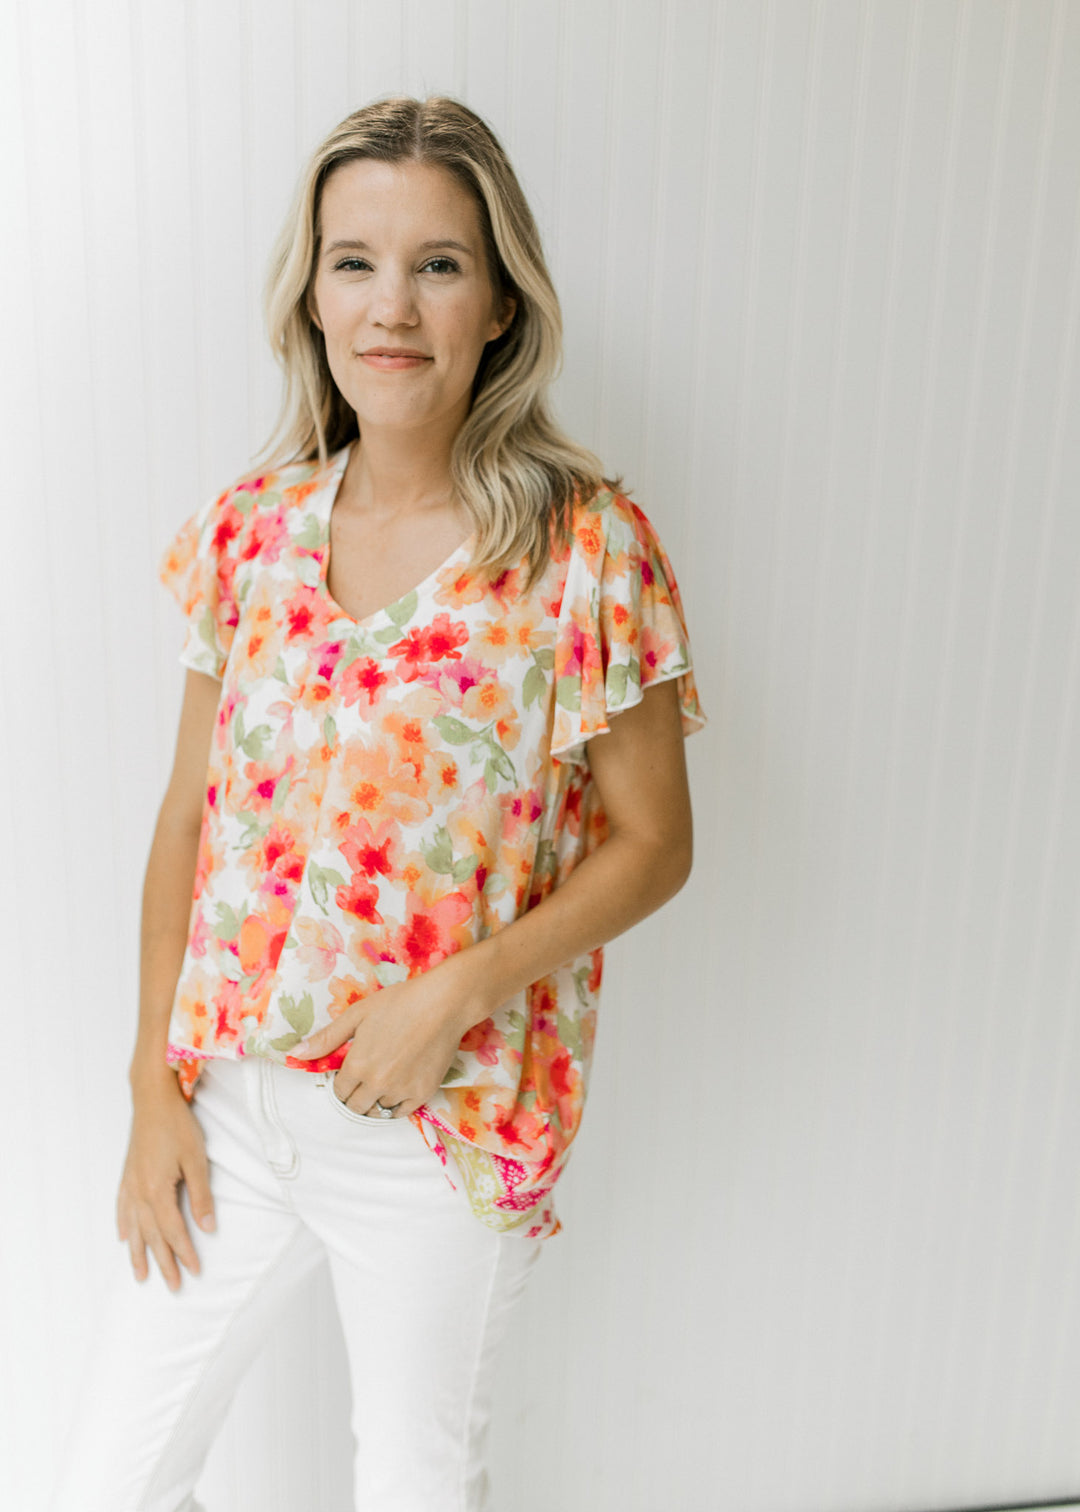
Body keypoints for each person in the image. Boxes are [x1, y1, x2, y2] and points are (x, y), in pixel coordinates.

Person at [48, 93, 708, 1512]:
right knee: (104, 1480)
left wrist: (453, 992)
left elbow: (656, 844)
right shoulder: (250, 531)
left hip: (441, 1123)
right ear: (313, 296)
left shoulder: (587, 545)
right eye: (354, 261)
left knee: (412, 1484)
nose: (391, 307)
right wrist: (150, 1088)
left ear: (499, 304)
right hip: (227, 1104)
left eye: (438, 263)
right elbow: (186, 822)